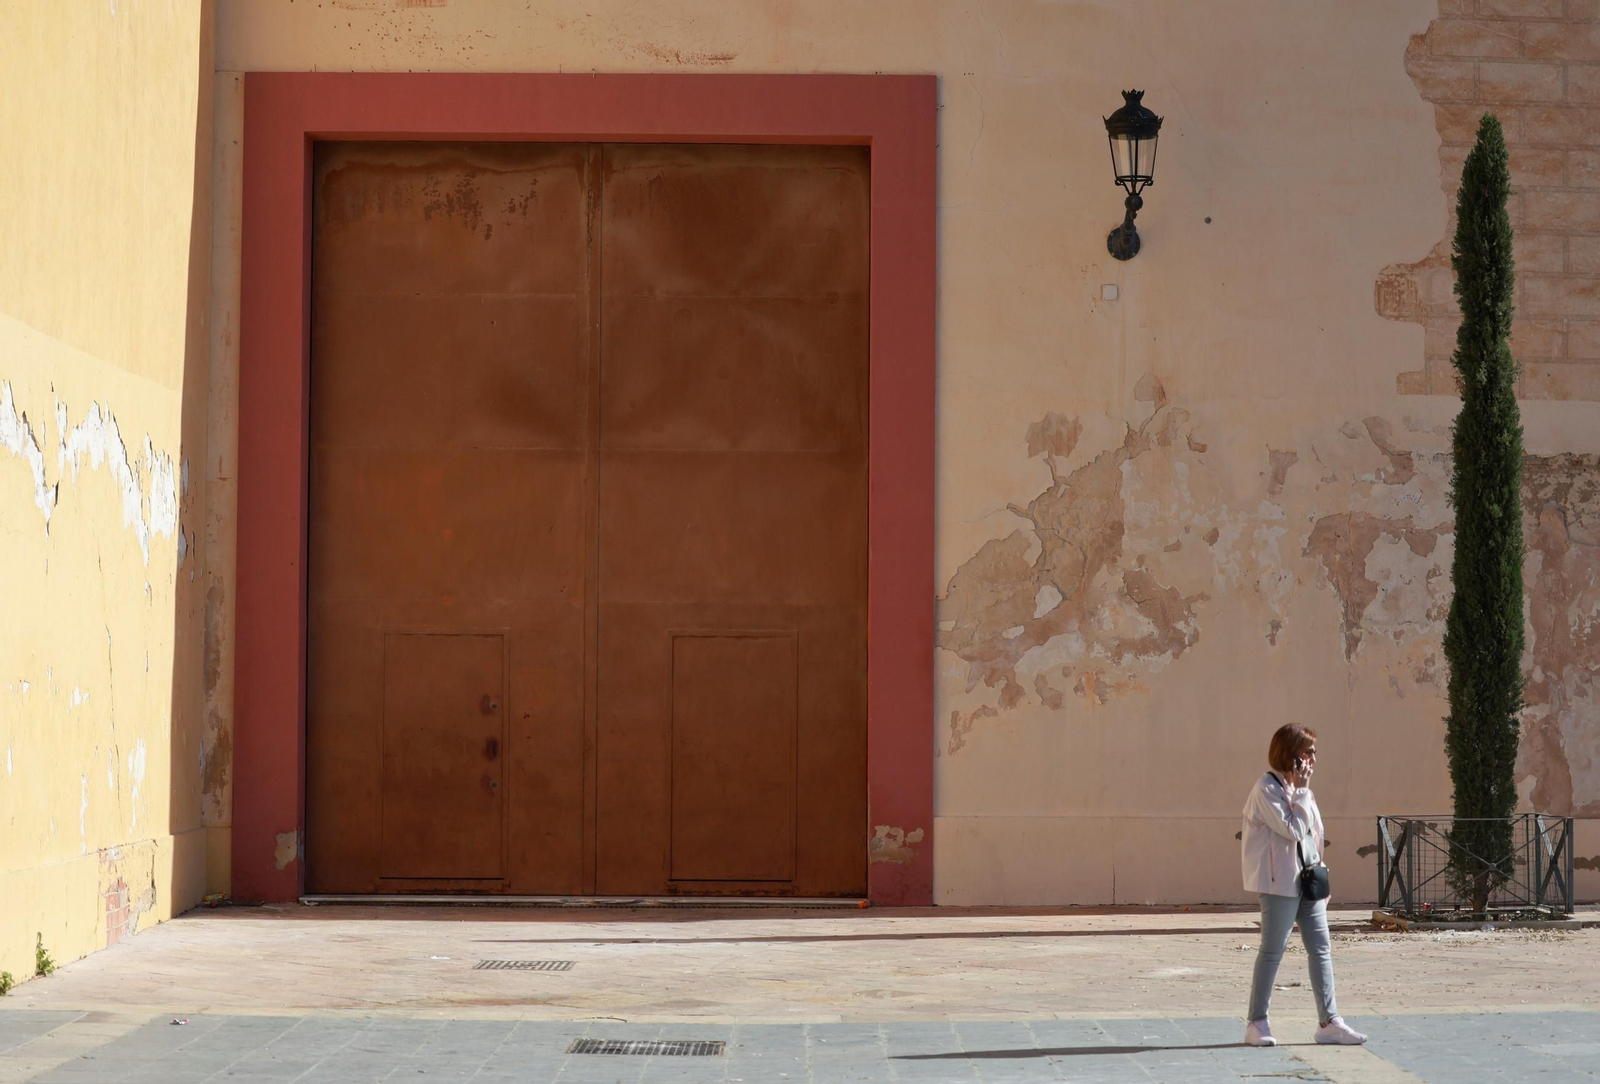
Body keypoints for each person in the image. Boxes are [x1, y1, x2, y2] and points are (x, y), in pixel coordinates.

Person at [1239, 724, 1367, 1047]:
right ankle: (1256, 1022)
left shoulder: (1300, 793)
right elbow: (1293, 829)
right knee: (1272, 951)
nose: (1313, 759)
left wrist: (1321, 876)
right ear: (1291, 755)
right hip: (1278, 884)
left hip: (1307, 884)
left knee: (1321, 948)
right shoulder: (1266, 789)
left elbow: (1313, 838)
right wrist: (1304, 790)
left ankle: (1329, 1020)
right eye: (1308, 752)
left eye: (1314, 752)